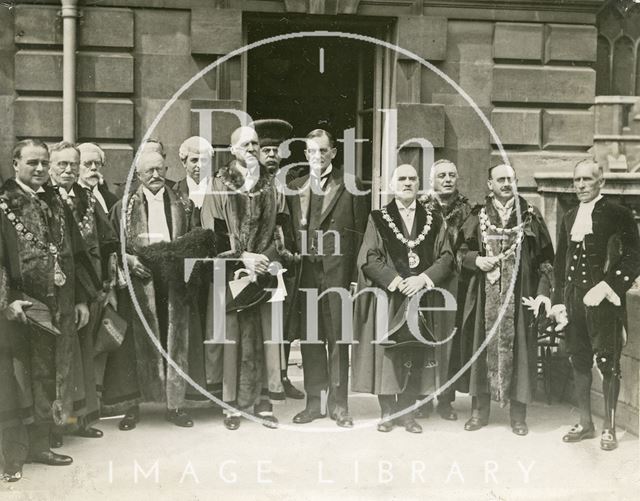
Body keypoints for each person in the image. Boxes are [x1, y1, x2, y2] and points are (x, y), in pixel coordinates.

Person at [0, 139, 93, 479]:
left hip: (60, 306)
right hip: (20, 310)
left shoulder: (56, 201)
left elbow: (77, 254)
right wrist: (6, 301)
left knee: (50, 376)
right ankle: (13, 453)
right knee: (17, 380)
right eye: (32, 163)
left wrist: (81, 298)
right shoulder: (4, 203)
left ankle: (41, 444)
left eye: (43, 163)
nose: (39, 169)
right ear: (15, 164)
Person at [103, 150, 208, 429]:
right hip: (139, 280)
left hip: (173, 282)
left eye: (160, 169)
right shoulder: (122, 207)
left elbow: (198, 241)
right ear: (138, 175)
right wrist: (128, 259)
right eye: (148, 171)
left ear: (167, 169)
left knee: (176, 341)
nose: (155, 175)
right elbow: (110, 245)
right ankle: (132, 408)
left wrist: (184, 266)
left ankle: (176, 406)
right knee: (133, 347)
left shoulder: (184, 205)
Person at [201, 126, 293, 430]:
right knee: (232, 338)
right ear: (233, 150)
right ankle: (231, 405)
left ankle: (264, 402)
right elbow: (211, 237)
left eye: (255, 143)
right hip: (231, 273)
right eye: (245, 144)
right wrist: (242, 257)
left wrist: (268, 259)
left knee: (267, 336)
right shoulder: (218, 185)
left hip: (265, 270)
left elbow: (283, 232)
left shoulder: (272, 185)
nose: (252, 148)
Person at [351, 164, 453, 433]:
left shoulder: (434, 219)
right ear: (392, 185)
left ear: (419, 184)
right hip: (389, 297)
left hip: (421, 296)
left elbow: (447, 257)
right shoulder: (378, 218)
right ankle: (387, 411)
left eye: (412, 178)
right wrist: (396, 281)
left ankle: (408, 412)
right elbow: (369, 257)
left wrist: (422, 279)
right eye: (402, 179)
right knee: (388, 355)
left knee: (415, 351)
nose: (407, 183)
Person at [456, 163, 554, 436]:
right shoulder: (478, 216)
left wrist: (543, 295)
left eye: (510, 179)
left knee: (521, 351)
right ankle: (479, 412)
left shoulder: (530, 216)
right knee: (481, 348)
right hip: (484, 298)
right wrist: (477, 260)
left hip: (520, 296)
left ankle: (518, 416)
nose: (506, 184)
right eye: (500, 180)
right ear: (490, 184)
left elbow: (547, 260)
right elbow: (458, 252)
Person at [550, 159, 640, 451]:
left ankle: (609, 427)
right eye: (577, 180)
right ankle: (586, 423)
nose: (581, 185)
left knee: (608, 362)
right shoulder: (570, 216)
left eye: (587, 180)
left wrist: (609, 286)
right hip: (574, 302)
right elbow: (560, 262)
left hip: (604, 302)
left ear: (601, 182)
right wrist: (558, 302)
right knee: (578, 359)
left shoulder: (619, 214)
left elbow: (634, 256)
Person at [287, 129, 368, 428]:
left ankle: (340, 405)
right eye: (312, 151)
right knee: (310, 339)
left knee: (337, 339)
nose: (318, 156)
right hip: (307, 273)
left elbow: (361, 235)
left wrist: (355, 277)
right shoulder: (295, 187)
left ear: (333, 152)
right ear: (305, 154)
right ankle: (314, 403)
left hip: (338, 274)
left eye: (323, 150)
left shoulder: (350, 185)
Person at [48, 141, 119, 444]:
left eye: (72, 165)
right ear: (51, 167)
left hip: (88, 289)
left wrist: (107, 285)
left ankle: (81, 420)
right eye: (61, 164)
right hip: (54, 292)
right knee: (56, 362)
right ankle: (53, 425)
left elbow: (109, 241)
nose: (68, 170)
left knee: (85, 360)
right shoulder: (46, 199)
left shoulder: (89, 199)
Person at [251, 118, 304, 400]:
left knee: (284, 323)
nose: (271, 156)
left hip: (285, 263)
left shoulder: (289, 184)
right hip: (258, 264)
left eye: (275, 151)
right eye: (265, 151)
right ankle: (262, 380)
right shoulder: (252, 186)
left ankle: (281, 377)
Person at [418, 159, 473, 421]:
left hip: (455, 283)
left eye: (452, 175)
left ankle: (446, 399)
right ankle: (423, 397)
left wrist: (456, 264)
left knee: (450, 340)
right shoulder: (419, 207)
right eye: (442, 175)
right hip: (424, 281)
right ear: (431, 180)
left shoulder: (468, 210)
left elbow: (471, 245)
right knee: (424, 338)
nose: (447, 179)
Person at [173, 136, 214, 226]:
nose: (199, 165)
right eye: (194, 160)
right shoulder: (174, 191)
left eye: (204, 160)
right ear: (184, 162)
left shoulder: (217, 189)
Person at [77, 143, 119, 213]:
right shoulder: (70, 196)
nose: (93, 168)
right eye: (88, 163)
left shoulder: (112, 200)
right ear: (77, 167)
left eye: (97, 163)